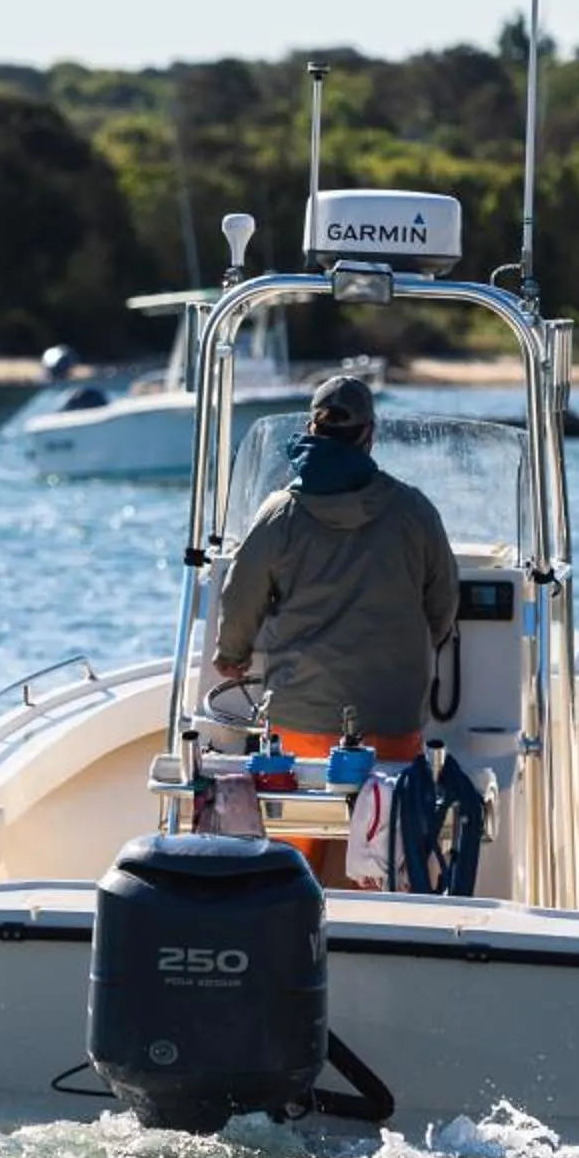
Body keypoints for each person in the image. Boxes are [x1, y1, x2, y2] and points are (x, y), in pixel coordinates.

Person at [211, 375, 457, 884]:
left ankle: (293, 911)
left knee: (291, 860)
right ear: (370, 436)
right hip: (391, 721)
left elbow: (240, 597)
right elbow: (443, 605)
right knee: (383, 852)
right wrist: (415, 650)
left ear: (311, 428)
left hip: (298, 724)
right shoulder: (413, 510)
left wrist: (231, 654)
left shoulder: (280, 513)